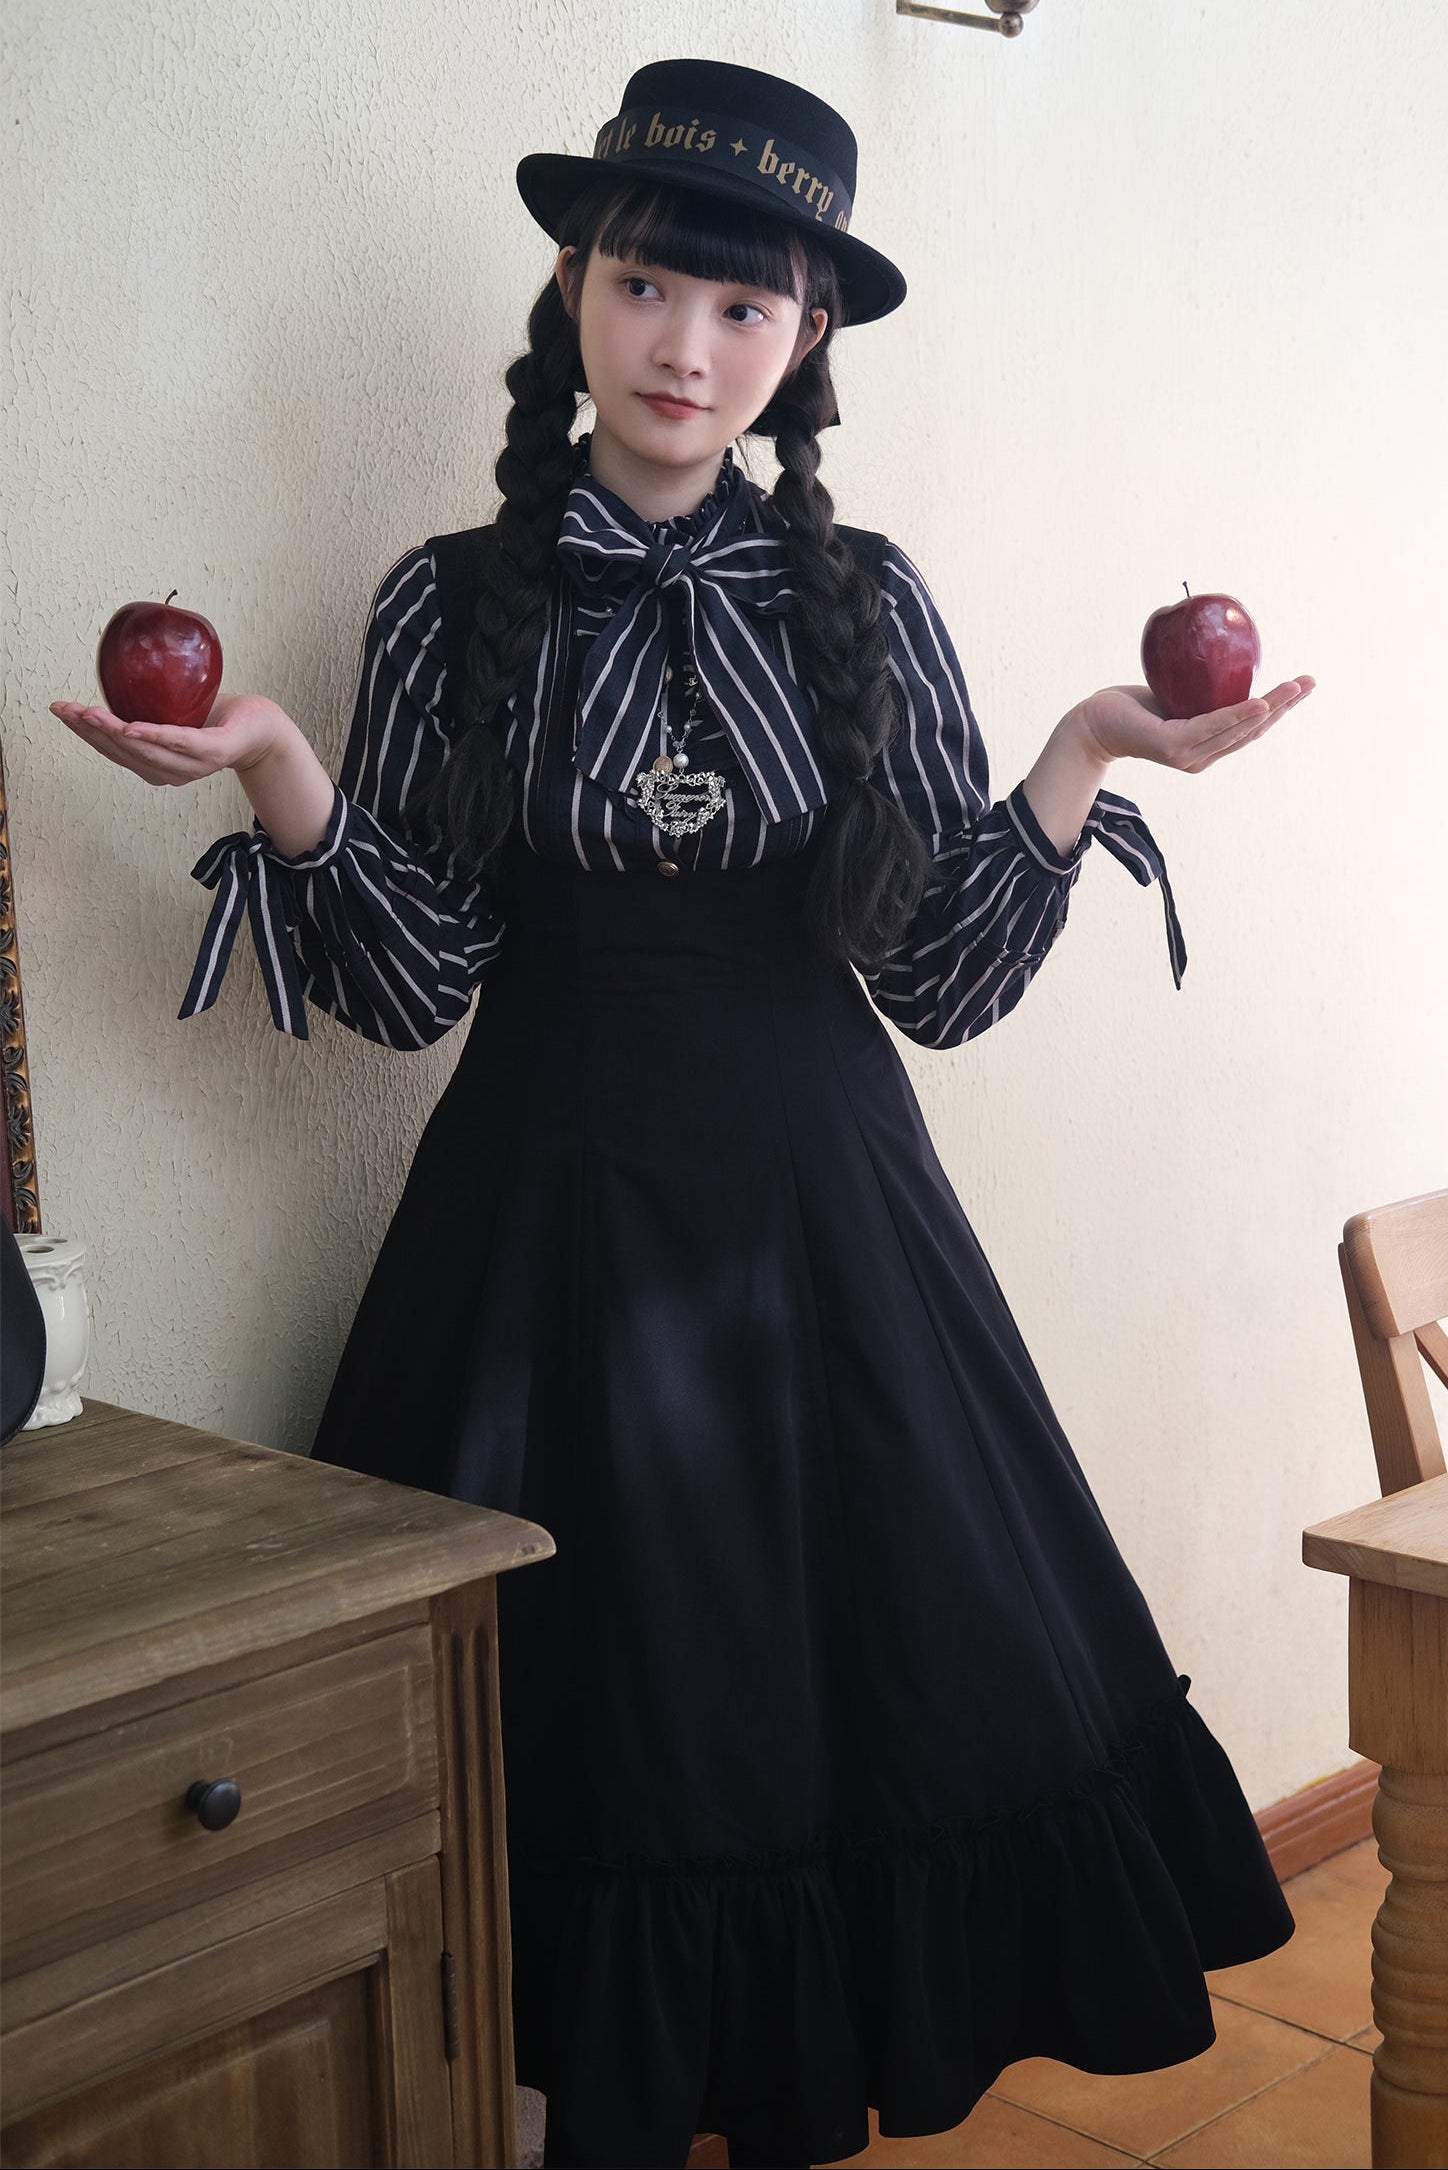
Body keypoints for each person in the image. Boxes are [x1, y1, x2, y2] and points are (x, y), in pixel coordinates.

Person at [52, 57, 1315, 2170]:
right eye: (646, 284)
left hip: (828, 1231)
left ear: (804, 339)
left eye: (744, 308)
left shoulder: (868, 598)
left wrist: (1087, 746)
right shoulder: (446, 600)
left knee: (841, 1706)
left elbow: (939, 980)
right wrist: (276, 764)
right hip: (538, 1232)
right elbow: (411, 986)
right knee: (585, 1728)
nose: (686, 347)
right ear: (572, 286)